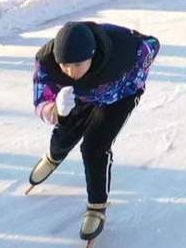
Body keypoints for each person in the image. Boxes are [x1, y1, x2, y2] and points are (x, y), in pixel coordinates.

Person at [27, 21, 160, 243]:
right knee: (66, 126)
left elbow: (153, 45)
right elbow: (41, 98)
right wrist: (52, 108)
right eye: (64, 65)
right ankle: (54, 156)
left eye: (77, 64)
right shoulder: (46, 60)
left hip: (120, 95)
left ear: (92, 54)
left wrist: (132, 80)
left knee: (94, 147)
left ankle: (97, 206)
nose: (70, 72)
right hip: (84, 94)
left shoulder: (124, 47)